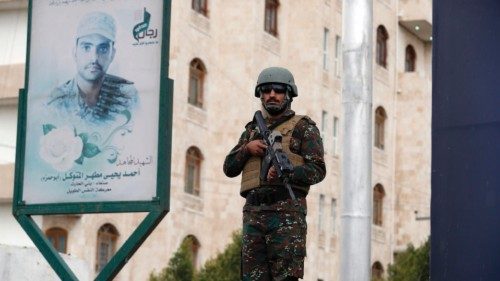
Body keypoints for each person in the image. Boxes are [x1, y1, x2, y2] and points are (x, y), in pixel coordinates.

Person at [223, 67, 326, 280]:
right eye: (266, 90)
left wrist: (287, 174)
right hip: (254, 213)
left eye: (278, 90)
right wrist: (246, 149)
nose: (271, 95)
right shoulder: (251, 130)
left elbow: (317, 170)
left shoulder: (303, 128)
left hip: (286, 215)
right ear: (260, 94)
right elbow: (229, 168)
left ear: (288, 94)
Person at [48, 12, 138, 125]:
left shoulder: (127, 95)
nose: (94, 58)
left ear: (112, 54)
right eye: (86, 47)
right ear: (75, 52)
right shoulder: (56, 101)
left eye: (103, 48)